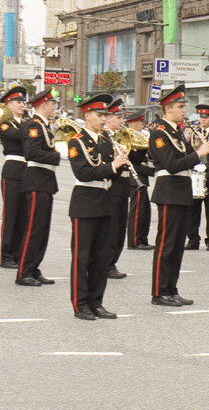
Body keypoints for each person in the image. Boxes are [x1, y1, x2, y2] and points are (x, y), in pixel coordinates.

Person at [66, 94, 129, 320]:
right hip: (85, 199)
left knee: (101, 257)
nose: (103, 119)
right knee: (83, 257)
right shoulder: (77, 141)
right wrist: (113, 165)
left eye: (105, 115)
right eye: (99, 115)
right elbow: (83, 172)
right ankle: (80, 304)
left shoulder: (106, 140)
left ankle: (97, 302)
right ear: (87, 115)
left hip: (105, 198)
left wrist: (122, 164)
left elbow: (112, 171)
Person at [149, 85, 209, 306]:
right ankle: (159, 291)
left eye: (184, 106)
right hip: (168, 190)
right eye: (180, 107)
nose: (184, 110)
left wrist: (195, 148)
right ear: (168, 108)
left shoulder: (176, 131)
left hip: (182, 190)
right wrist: (198, 154)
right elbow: (172, 164)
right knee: (166, 244)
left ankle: (171, 288)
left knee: (176, 245)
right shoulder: (159, 132)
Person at [16, 89, 61, 287]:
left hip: (45, 180)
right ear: (43, 105)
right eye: (52, 104)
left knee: (42, 230)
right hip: (36, 180)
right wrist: (58, 156)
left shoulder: (44, 125)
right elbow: (32, 153)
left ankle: (34, 268)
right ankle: (24, 271)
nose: (54, 107)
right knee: (34, 229)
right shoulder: (33, 125)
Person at [0, 86, 30, 268]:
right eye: (18, 102)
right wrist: (32, 125)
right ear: (8, 104)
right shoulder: (5, 122)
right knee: (11, 215)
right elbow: (19, 136)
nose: (22, 105)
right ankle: (6, 255)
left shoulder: (26, 122)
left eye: (23, 102)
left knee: (23, 216)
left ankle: (18, 253)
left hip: (26, 170)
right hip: (12, 170)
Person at [184, 105, 209, 251]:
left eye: (205, 118)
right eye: (201, 117)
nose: (202, 120)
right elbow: (188, 153)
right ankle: (193, 239)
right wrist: (195, 147)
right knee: (193, 209)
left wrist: (208, 166)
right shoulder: (195, 133)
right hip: (196, 174)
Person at [102, 99, 130, 279]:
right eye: (118, 117)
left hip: (123, 187)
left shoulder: (122, 136)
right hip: (110, 188)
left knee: (120, 229)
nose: (121, 121)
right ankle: (106, 263)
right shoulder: (104, 138)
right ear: (108, 118)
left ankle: (113, 261)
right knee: (110, 230)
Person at [124, 110, 156, 250]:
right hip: (135, 178)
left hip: (141, 177)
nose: (143, 125)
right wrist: (150, 171)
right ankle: (135, 240)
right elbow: (131, 163)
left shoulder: (139, 137)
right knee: (137, 211)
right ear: (135, 124)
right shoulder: (129, 138)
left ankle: (142, 238)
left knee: (145, 210)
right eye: (141, 122)